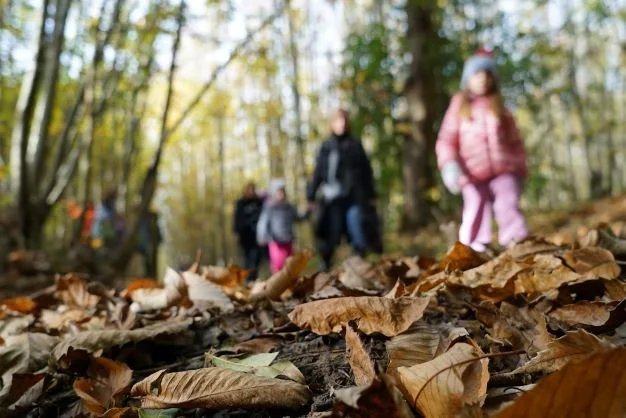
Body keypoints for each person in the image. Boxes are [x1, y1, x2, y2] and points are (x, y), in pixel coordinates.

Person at [436, 48, 529, 252]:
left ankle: (516, 243)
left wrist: (520, 170)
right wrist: (449, 165)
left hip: (503, 170)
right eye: (478, 74)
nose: (483, 79)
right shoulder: (459, 106)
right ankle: (474, 248)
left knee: (508, 203)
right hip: (472, 173)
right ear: (468, 79)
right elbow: (446, 139)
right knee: (475, 206)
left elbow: (515, 142)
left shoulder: (500, 107)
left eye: (488, 74)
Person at [307, 109, 378, 271]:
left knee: (357, 228)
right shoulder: (326, 146)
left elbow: (366, 172)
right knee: (331, 234)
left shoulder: (355, 145)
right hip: (332, 200)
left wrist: (371, 195)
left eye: (344, 120)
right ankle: (325, 267)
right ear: (333, 124)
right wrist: (310, 197)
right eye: (339, 120)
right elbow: (318, 172)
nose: (342, 124)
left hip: (354, 197)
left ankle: (360, 265)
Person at [257, 180, 308, 273]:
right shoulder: (269, 207)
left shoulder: (289, 207)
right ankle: (277, 280)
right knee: (278, 265)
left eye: (283, 192)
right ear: (274, 193)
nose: (281, 195)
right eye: (279, 192)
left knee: (289, 264)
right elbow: (263, 222)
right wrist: (262, 236)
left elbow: (298, 218)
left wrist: (307, 211)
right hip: (275, 241)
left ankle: (289, 281)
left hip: (288, 239)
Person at [234, 182, 264, 280]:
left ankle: (252, 278)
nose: (251, 192)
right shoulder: (241, 203)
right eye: (250, 190)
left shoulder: (259, 203)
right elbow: (237, 219)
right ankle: (249, 279)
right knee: (249, 259)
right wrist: (237, 232)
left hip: (257, 237)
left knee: (256, 258)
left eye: (253, 190)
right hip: (245, 237)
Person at [91, 188, 124, 253]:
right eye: (116, 195)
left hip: (101, 227)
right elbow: (108, 216)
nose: (116, 197)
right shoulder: (108, 204)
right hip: (104, 225)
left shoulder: (104, 204)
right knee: (105, 243)